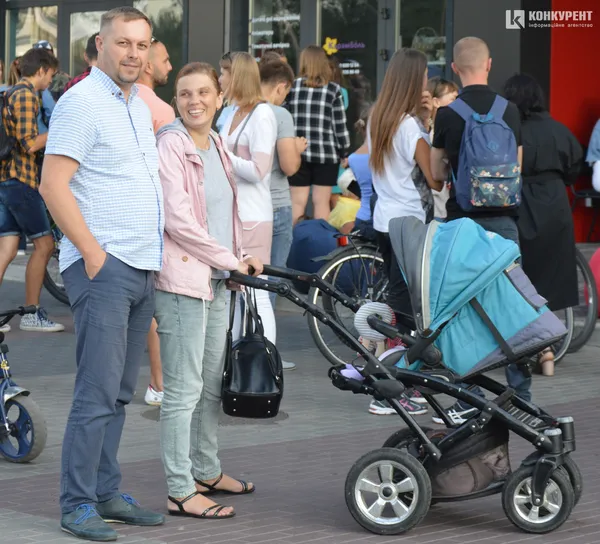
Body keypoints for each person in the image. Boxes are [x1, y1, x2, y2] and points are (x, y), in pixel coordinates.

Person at [39, 7, 165, 541]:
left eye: (142, 45)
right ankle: (76, 504)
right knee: (96, 392)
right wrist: (91, 252)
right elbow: (52, 184)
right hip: (106, 267)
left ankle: (107, 492)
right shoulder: (82, 102)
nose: (133, 53)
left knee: (119, 392)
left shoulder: (135, 104)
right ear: (100, 44)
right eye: (124, 44)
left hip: (141, 267)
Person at [155, 60, 262, 520]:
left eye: (203, 92)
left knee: (212, 387)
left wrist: (240, 257)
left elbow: (226, 213)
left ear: (220, 97)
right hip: (182, 280)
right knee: (183, 390)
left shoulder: (217, 142)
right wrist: (229, 259)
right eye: (184, 94)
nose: (194, 101)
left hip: (217, 278)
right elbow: (178, 221)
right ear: (176, 101)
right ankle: (180, 489)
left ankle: (206, 469)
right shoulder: (171, 145)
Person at [430, 37, 526, 425]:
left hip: (463, 222)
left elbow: (437, 175)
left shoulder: (448, 114)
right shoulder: (511, 111)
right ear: (489, 64)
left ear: (455, 69)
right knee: (514, 304)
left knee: (462, 310)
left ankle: (469, 394)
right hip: (506, 221)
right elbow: (518, 167)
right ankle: (520, 393)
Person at [367, 48, 441, 416]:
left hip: (385, 220)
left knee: (397, 302)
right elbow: (437, 179)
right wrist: (431, 124)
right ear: (415, 80)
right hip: (410, 224)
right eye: (425, 76)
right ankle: (395, 388)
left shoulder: (379, 117)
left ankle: (388, 380)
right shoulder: (409, 127)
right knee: (407, 309)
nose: (427, 82)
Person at [504, 73, 582, 376]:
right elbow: (574, 170)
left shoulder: (513, 131)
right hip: (556, 205)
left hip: (522, 203)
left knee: (523, 278)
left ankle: (539, 347)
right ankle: (548, 347)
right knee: (553, 274)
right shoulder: (560, 131)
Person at [0, 47, 63, 334]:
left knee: (8, 248)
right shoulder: (25, 94)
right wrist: (59, 130)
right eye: (50, 75)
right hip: (21, 180)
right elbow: (28, 143)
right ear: (41, 70)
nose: (50, 81)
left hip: (5, 181)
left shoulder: (10, 92)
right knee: (45, 245)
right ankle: (31, 312)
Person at [219, 52, 278, 346]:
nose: (219, 79)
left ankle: (265, 360)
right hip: (232, 213)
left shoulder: (262, 114)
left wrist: (221, 156)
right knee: (237, 290)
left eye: (223, 73)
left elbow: (259, 170)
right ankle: (240, 356)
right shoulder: (230, 112)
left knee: (257, 290)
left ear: (237, 75)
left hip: (253, 214)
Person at [136, 37, 175, 406]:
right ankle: (160, 381)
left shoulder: (128, 101)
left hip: (136, 218)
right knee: (156, 306)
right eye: (164, 60)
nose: (169, 66)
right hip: (157, 217)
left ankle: (158, 381)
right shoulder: (158, 108)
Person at [258, 59, 306, 316]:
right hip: (275, 205)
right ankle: (265, 349)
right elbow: (288, 166)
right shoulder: (279, 115)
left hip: (246, 210)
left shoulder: (236, 110)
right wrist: (296, 150)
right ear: (281, 87)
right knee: (272, 282)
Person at [286, 45, 351, 224]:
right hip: (326, 155)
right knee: (321, 202)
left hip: (298, 152)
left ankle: (294, 244)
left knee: (297, 202)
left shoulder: (292, 89)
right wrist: (344, 152)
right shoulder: (333, 91)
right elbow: (339, 126)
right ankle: (321, 245)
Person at [426, 76, 459, 219]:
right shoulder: (431, 134)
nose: (458, 104)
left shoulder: (426, 130)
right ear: (436, 102)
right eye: (453, 99)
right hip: (440, 208)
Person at [214, 51, 237, 132]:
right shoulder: (227, 109)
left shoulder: (256, 113)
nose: (219, 80)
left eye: (222, 74)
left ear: (234, 78)